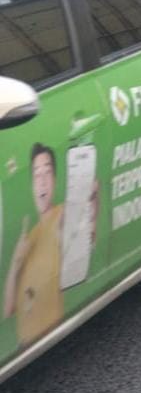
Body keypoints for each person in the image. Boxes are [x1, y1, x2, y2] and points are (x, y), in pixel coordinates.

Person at [3, 144, 97, 347]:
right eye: (37, 175)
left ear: (55, 180)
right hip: (23, 346)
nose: (42, 181)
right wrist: (15, 263)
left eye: (47, 173)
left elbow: (86, 229)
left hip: (48, 336)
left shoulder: (61, 215)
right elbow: (8, 309)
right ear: (31, 185)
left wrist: (90, 200)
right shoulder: (27, 239)